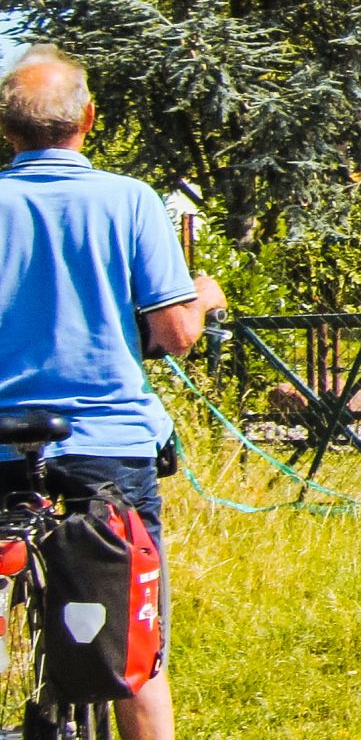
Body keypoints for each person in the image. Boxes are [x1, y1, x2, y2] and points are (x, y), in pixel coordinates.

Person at [0, 44, 226, 740]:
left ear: (6, 129)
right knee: (135, 641)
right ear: (88, 118)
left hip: (4, 442)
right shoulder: (128, 200)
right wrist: (206, 296)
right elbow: (176, 331)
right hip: (109, 445)